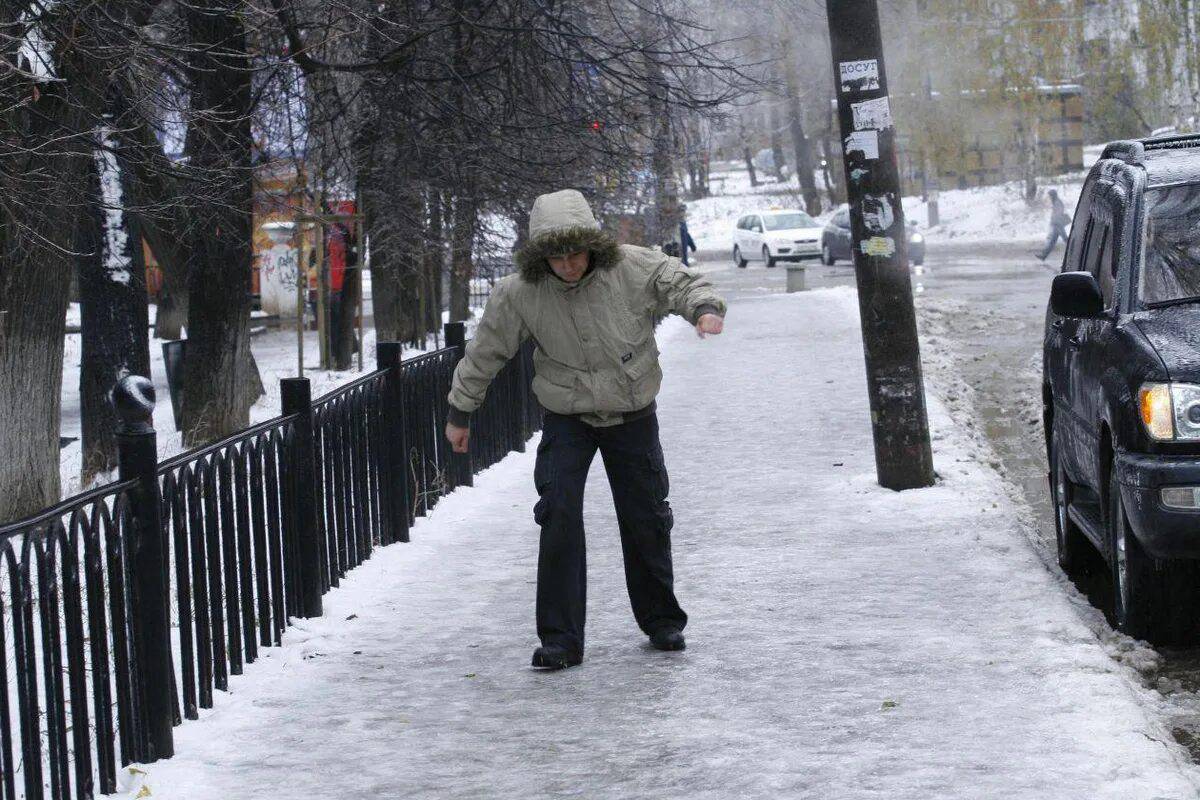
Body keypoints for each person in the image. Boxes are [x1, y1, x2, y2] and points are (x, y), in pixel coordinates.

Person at [443, 189, 727, 671]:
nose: (569, 265)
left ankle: (662, 620)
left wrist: (704, 309)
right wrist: (460, 412)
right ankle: (559, 639)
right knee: (557, 514)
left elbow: (680, 282)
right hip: (567, 417)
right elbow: (486, 351)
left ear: (593, 246)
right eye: (557, 257)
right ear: (541, 258)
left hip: (632, 411)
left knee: (646, 515)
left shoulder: (632, 266)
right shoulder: (520, 293)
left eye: (576, 253)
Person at [1036, 188, 1071, 261]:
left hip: (1058, 224)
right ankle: (1043, 256)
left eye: (1050, 196)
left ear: (1053, 195)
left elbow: (1058, 213)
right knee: (1053, 241)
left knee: (1065, 239)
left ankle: (1074, 252)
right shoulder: (1056, 202)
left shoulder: (1057, 202)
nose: (1049, 197)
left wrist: (1054, 221)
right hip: (1056, 224)